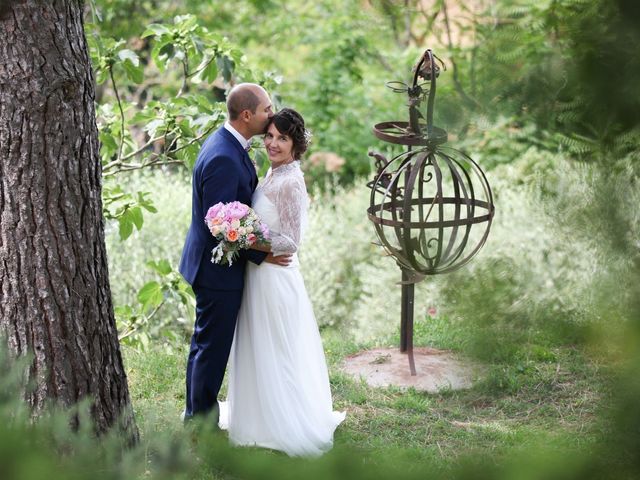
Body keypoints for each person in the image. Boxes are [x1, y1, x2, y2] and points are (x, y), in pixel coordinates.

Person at [220, 108, 345, 456]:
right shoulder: (273, 174)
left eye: (282, 138)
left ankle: (285, 421)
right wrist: (245, 236)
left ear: (296, 144)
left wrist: (242, 239)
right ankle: (257, 415)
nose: (273, 143)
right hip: (259, 275)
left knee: (277, 348)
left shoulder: (291, 182)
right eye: (270, 136)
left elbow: (291, 241)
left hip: (276, 278)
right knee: (259, 345)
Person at [179, 83, 291, 425]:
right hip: (216, 272)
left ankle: (196, 417)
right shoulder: (225, 157)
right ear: (247, 115)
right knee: (211, 351)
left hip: (217, 268)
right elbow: (222, 225)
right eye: (266, 109)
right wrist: (263, 254)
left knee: (206, 346)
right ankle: (199, 426)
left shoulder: (229, 143)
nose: (271, 115)